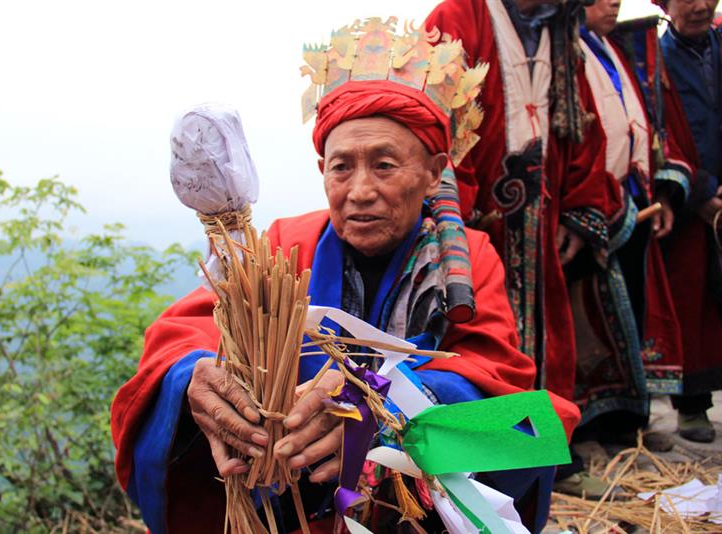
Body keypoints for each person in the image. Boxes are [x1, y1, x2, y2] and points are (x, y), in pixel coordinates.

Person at [110, 18, 580, 534]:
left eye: (384, 165)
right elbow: (187, 330)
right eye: (341, 168)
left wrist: (381, 409)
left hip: (405, 499)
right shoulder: (284, 244)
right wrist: (194, 376)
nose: (359, 190)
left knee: (533, 427)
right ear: (321, 171)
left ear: (433, 171)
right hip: (289, 489)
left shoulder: (465, 259)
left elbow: (490, 380)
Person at [425, 0, 620, 498]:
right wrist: (455, 218)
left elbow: (583, 124)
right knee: (476, 340)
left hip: (540, 213)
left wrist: (581, 206)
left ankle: (548, 453)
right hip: (474, 216)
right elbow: (437, 118)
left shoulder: (561, 28)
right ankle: (478, 467)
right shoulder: (461, 16)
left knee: (545, 334)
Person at [562, 0, 689, 453]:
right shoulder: (565, 51)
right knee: (587, 323)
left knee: (629, 310)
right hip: (588, 205)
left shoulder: (611, 48)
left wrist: (663, 193)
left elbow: (646, 125)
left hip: (632, 201)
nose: (612, 1)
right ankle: (585, 428)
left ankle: (624, 424)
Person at [657, 0, 722, 443]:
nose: (700, 6)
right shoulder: (654, 62)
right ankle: (693, 405)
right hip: (691, 202)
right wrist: (702, 191)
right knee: (691, 299)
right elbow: (659, 134)